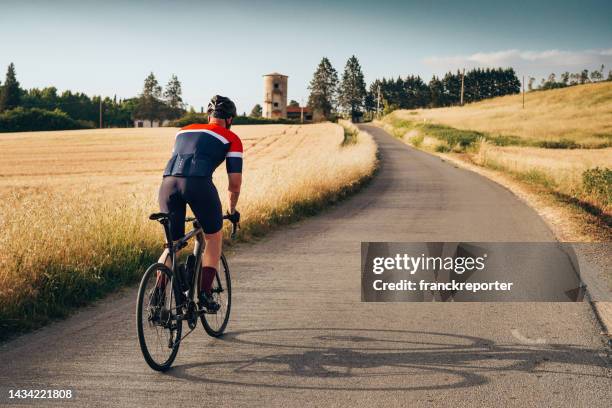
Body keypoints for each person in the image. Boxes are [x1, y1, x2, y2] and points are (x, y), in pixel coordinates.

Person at [157, 95, 242, 311]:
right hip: (198, 184)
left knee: (172, 246)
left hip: (167, 185)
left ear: (208, 116)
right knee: (213, 238)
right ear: (230, 119)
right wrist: (232, 210)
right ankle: (204, 295)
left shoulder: (183, 130)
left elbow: (177, 162)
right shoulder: (231, 137)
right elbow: (234, 183)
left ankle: (156, 299)